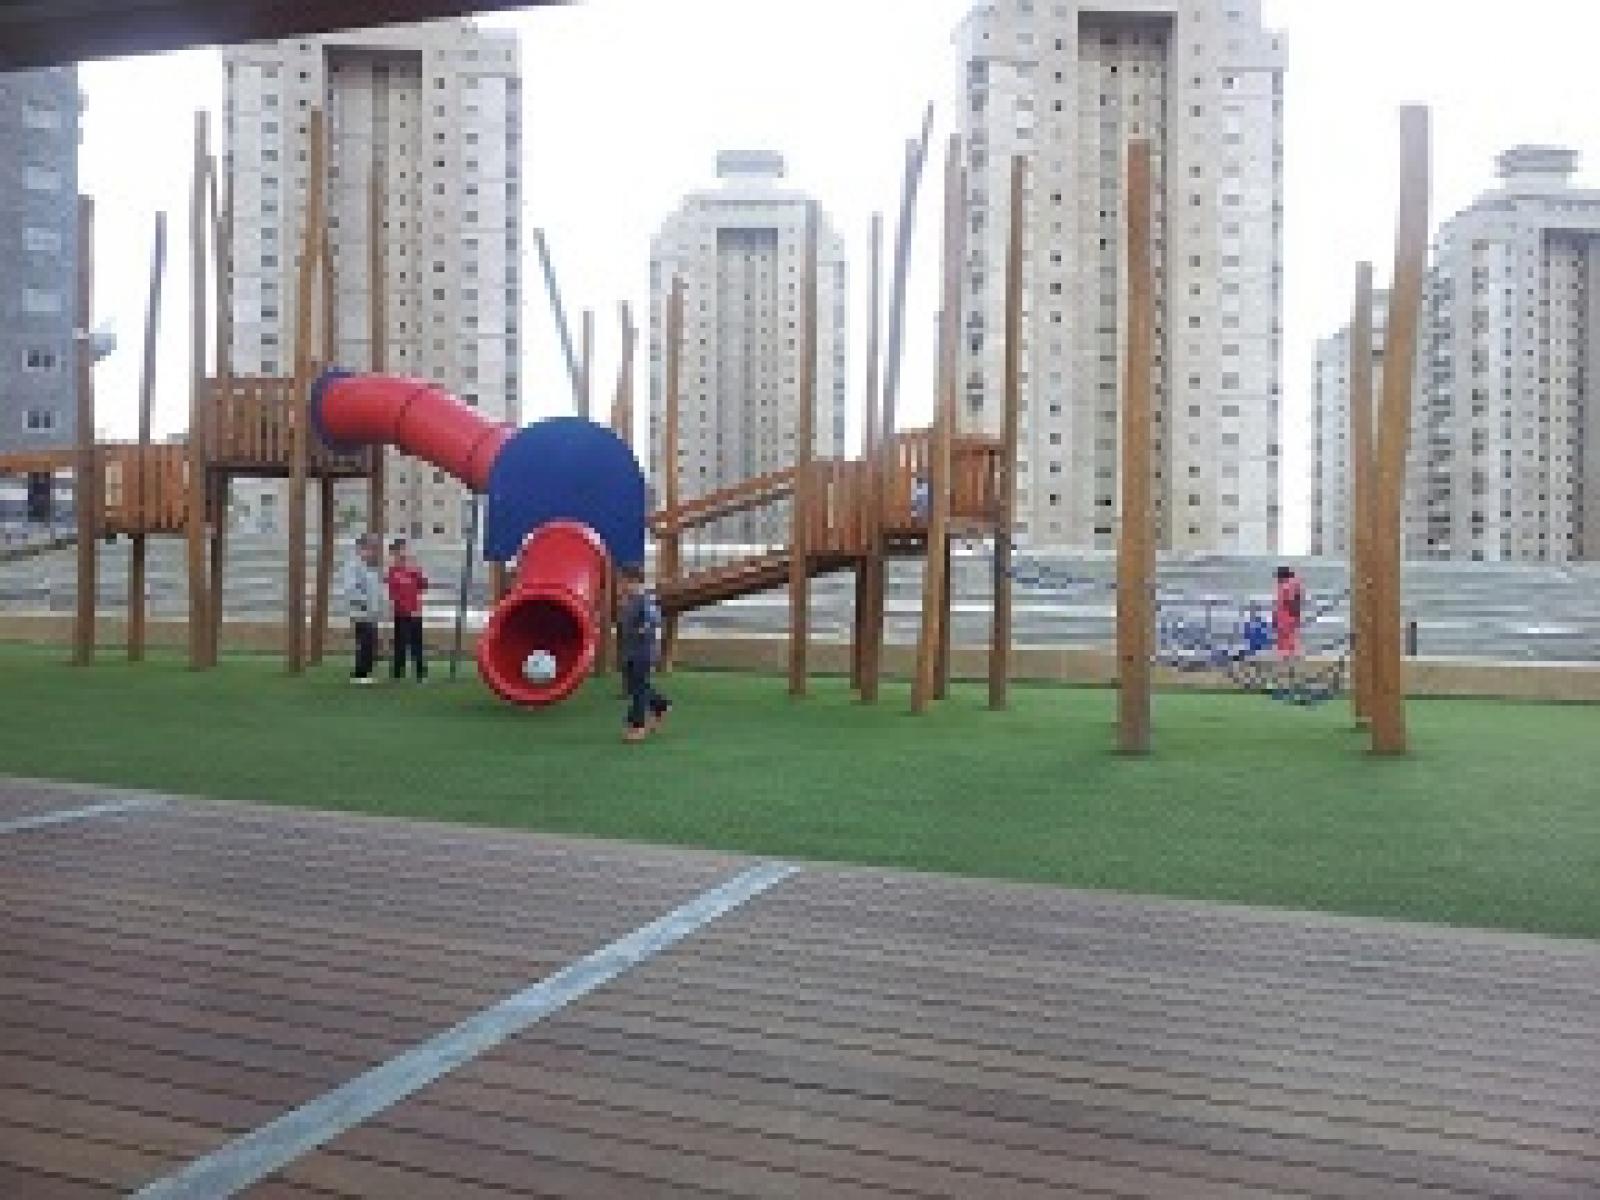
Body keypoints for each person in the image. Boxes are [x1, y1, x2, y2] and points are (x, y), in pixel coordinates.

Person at [618, 565, 670, 743]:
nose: (621, 586)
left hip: (643, 652)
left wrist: (644, 629)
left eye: (624, 582)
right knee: (634, 686)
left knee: (638, 689)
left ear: (635, 582)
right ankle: (660, 704)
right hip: (630, 651)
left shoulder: (645, 600)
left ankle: (638, 726)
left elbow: (654, 620)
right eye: (621, 582)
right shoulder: (629, 601)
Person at [386, 537, 430, 681]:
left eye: (404, 550)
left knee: (417, 644)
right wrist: (404, 609)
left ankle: (420, 673)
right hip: (401, 614)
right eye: (399, 551)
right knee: (400, 644)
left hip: (415, 613)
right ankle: (398, 673)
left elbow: (423, 586)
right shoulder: (393, 572)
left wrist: (418, 572)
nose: (402, 553)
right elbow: (394, 594)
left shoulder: (414, 570)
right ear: (394, 553)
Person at [342, 534, 383, 685]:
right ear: (360, 548)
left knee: (370, 641)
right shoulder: (353, 566)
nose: (371, 552)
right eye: (369, 548)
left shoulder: (369, 567)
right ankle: (360, 673)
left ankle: (366, 671)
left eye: (373, 549)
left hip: (371, 611)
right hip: (361, 610)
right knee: (364, 640)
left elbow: (375, 589)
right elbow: (351, 588)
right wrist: (364, 602)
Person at [1274, 566, 1305, 662]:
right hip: (1292, 612)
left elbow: (1283, 601)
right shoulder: (1294, 583)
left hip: (1285, 613)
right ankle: (1292, 654)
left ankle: (1286, 656)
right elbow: (1297, 599)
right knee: (1292, 634)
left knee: (1285, 635)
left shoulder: (1284, 586)